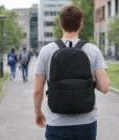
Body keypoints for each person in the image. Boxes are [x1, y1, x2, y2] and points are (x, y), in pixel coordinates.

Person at [33, 5, 110, 140]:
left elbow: (37, 90)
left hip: (56, 122)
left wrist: (38, 112)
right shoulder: (93, 50)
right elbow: (104, 87)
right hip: (86, 123)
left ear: (60, 24)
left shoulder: (46, 51)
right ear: (80, 25)